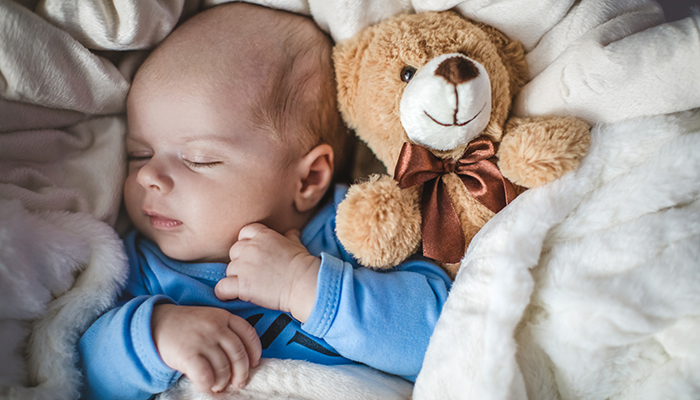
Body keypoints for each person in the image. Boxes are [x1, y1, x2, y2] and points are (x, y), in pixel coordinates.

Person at [77, 3, 452, 399]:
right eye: (139, 154)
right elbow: (83, 376)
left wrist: (305, 284)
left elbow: (445, 333)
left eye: (199, 159)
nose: (149, 176)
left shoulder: (351, 230)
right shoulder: (143, 269)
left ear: (308, 178)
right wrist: (155, 336)